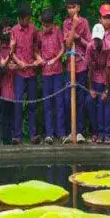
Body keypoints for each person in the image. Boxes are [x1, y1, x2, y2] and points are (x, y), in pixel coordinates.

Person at [10, 3, 41, 144]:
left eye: (29, 18)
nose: (28, 21)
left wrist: (37, 59)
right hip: (19, 74)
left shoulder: (34, 29)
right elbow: (12, 53)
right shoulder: (14, 31)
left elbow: (36, 47)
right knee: (18, 104)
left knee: (33, 104)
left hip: (32, 72)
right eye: (26, 19)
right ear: (20, 19)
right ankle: (17, 136)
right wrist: (18, 62)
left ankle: (33, 135)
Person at [63, 0, 90, 144]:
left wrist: (79, 38)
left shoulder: (85, 22)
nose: (71, 10)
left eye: (73, 7)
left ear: (78, 7)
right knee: (68, 99)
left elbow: (89, 45)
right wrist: (73, 26)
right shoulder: (66, 23)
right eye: (69, 7)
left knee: (80, 100)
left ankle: (79, 132)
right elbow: (67, 44)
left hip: (82, 65)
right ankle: (70, 131)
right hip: (69, 67)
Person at [38, 8, 66, 143]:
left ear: (52, 23)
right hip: (45, 72)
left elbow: (63, 48)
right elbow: (35, 50)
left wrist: (56, 59)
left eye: (47, 25)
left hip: (58, 71)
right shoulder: (39, 34)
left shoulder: (58, 31)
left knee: (59, 102)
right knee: (47, 103)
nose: (45, 27)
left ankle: (61, 132)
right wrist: (40, 59)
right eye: (43, 25)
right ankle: (49, 133)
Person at [85, 23, 110, 143]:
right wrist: (91, 88)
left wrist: (106, 90)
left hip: (106, 77)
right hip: (94, 77)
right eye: (95, 39)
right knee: (91, 102)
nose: (96, 42)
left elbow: (109, 68)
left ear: (103, 38)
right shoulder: (89, 47)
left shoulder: (109, 48)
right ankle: (96, 133)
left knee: (106, 103)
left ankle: (106, 134)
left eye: (99, 39)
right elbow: (89, 68)